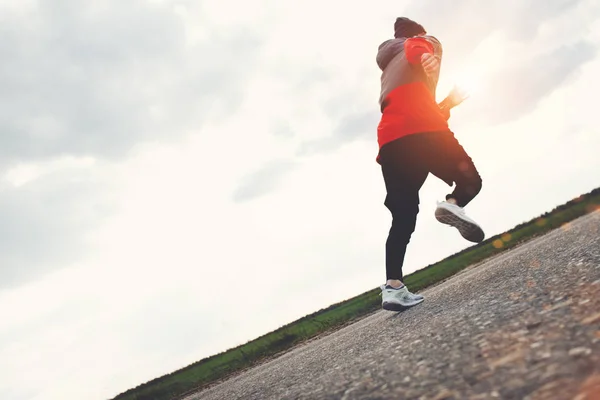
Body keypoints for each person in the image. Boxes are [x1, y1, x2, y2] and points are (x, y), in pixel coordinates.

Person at [376, 17, 485, 311]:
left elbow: (417, 105)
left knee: (403, 215)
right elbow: (416, 45)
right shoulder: (420, 42)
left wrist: (448, 103)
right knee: (470, 181)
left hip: (391, 141)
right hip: (424, 130)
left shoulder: (388, 67)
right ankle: (452, 203)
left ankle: (393, 287)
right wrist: (426, 53)